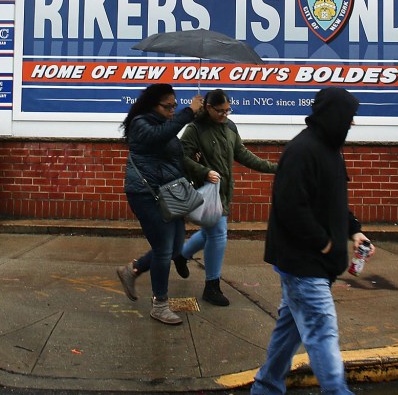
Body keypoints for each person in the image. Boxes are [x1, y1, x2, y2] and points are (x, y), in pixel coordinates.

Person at [251, 87, 374, 395]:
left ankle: (266, 386)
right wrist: (323, 242)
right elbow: (290, 205)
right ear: (335, 117)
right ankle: (336, 391)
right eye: (349, 118)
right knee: (321, 331)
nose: (352, 124)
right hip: (303, 263)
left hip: (313, 263)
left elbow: (332, 202)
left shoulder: (330, 150)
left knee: (289, 330)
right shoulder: (302, 151)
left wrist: (353, 230)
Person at [116, 83, 203, 325]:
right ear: (153, 105)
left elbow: (170, 153)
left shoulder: (163, 125)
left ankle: (132, 269)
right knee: (164, 249)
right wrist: (189, 111)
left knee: (175, 248)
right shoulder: (141, 123)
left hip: (167, 193)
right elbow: (158, 137)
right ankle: (160, 304)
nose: (173, 110)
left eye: (175, 106)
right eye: (169, 106)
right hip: (146, 194)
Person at [179, 88, 276, 306]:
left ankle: (181, 256)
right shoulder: (195, 128)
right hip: (205, 191)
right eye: (220, 111)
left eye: (227, 110)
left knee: (208, 234)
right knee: (219, 234)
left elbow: (243, 154)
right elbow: (180, 157)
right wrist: (203, 171)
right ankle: (211, 286)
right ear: (208, 107)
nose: (225, 115)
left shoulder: (230, 127)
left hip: (224, 192)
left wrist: (275, 168)